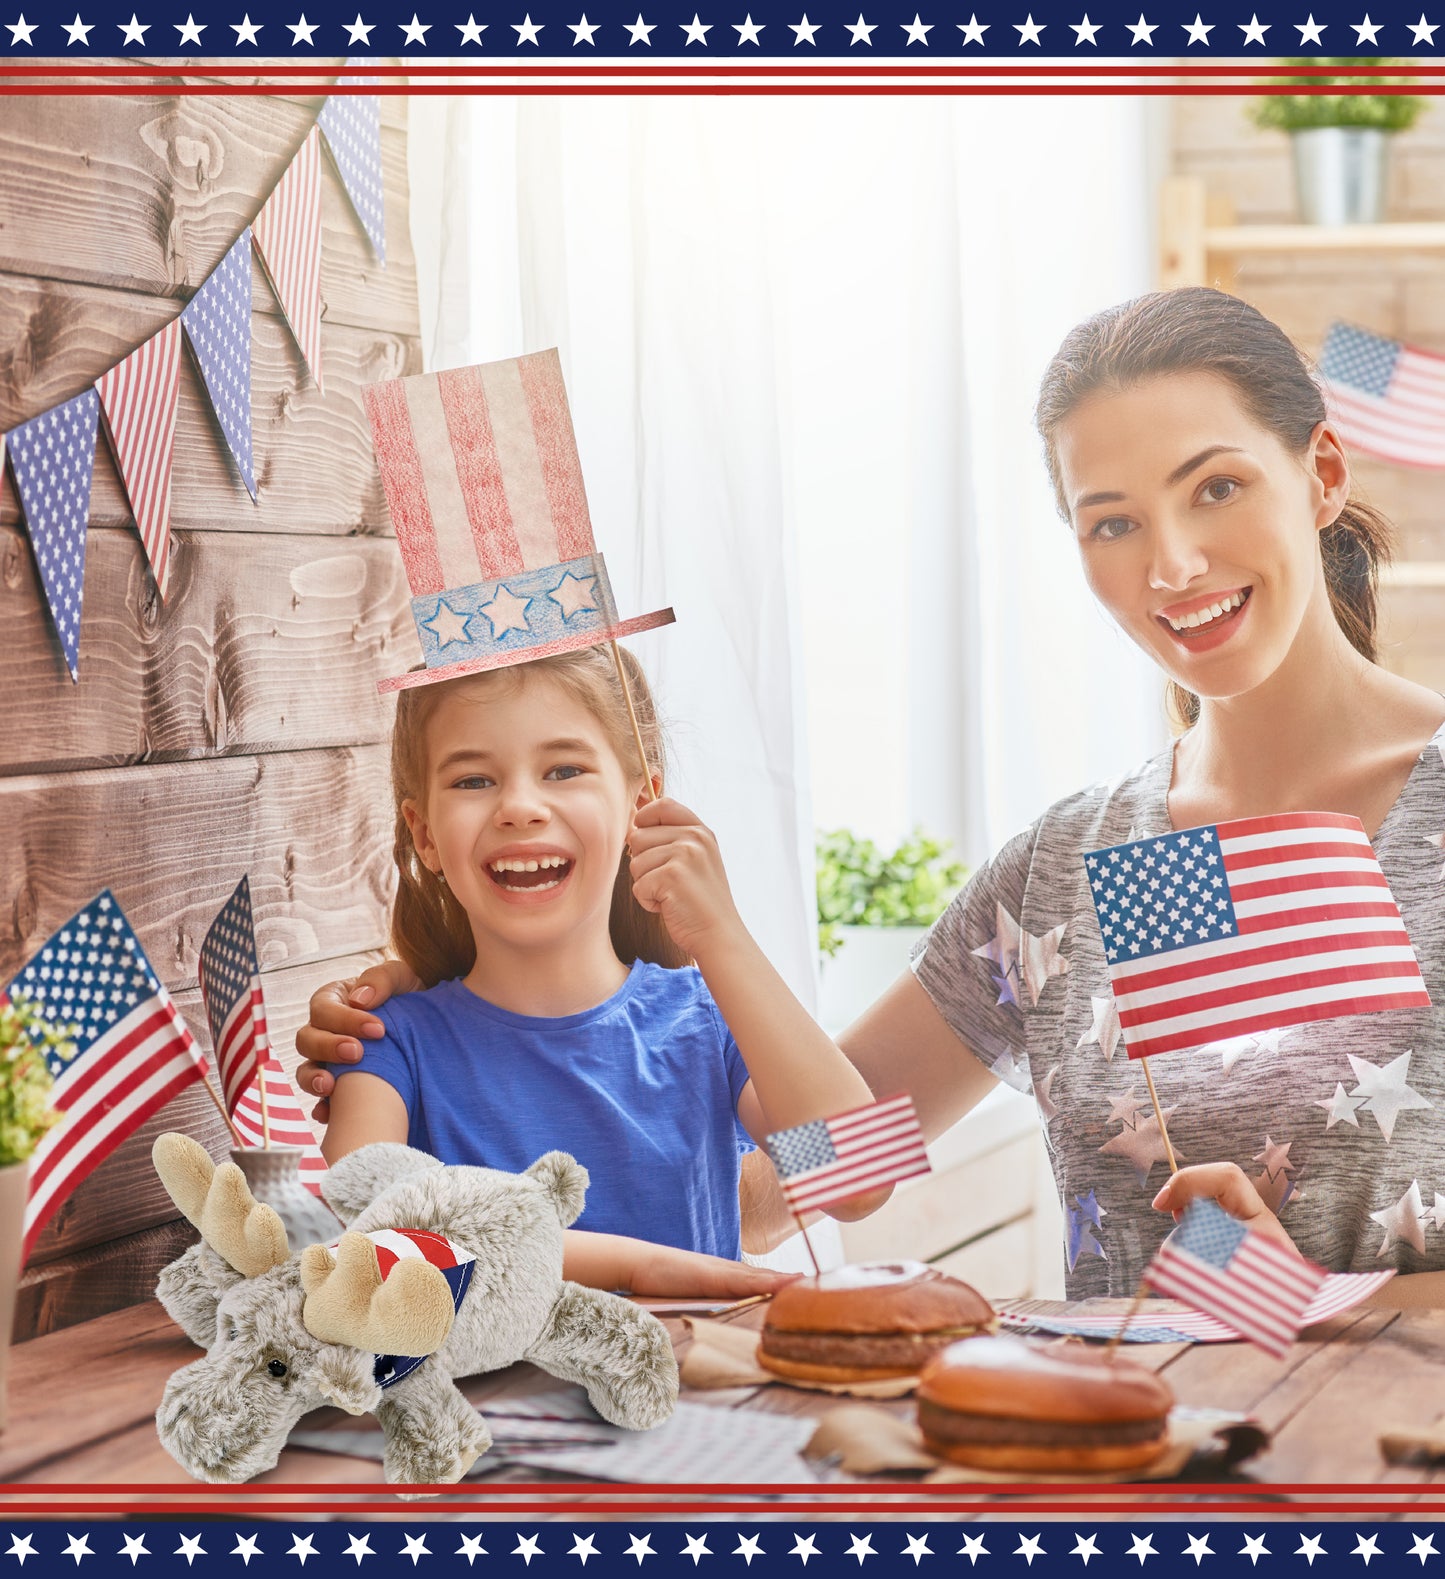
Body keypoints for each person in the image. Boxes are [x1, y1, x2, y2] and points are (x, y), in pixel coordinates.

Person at [302, 288, 1445, 1300]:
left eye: (1216, 487)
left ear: (1321, 474)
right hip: (1125, 1458)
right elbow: (817, 1166)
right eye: (1111, 521)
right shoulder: (1059, 874)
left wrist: (1320, 1306)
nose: (1172, 564)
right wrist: (486, 1014)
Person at [319, 638, 883, 1295]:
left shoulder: (706, 1024)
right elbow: (370, 1238)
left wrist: (722, 935)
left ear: (640, 805)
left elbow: (860, 1178)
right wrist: (640, 1268)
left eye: (563, 770)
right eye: (473, 780)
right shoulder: (389, 1046)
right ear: (424, 834)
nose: (519, 807)